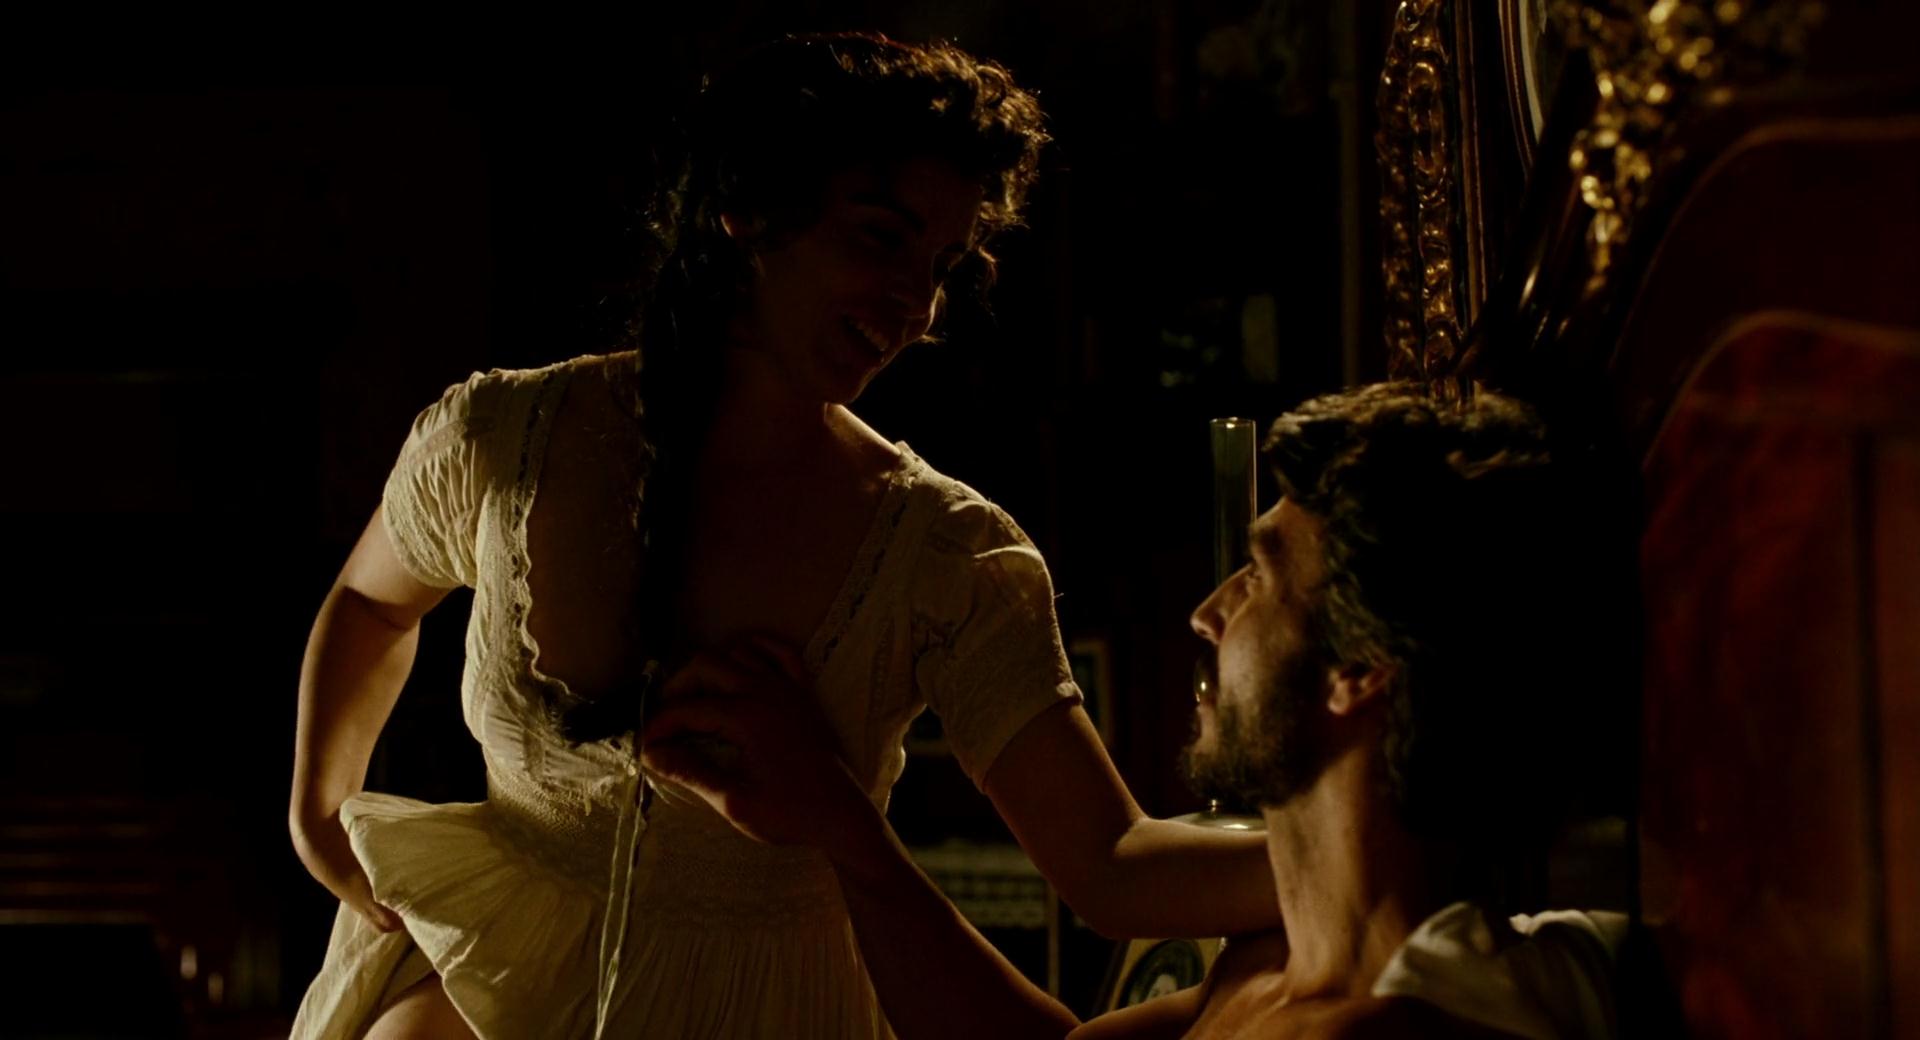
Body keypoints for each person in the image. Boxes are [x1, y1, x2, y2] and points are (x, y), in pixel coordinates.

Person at [287, 32, 1278, 1040]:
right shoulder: (502, 441)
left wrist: (1361, 849)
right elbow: (370, 601)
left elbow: (1112, 866)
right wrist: (318, 810)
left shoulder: (946, 557)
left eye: (940, 264)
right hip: (486, 965)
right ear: (749, 206)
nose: (915, 303)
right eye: (880, 238)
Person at [646, 383, 1630, 1040]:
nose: (1209, 613)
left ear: (1360, 669)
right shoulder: (1267, 965)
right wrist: (841, 826)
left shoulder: (1407, 1019)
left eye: (1259, 576)